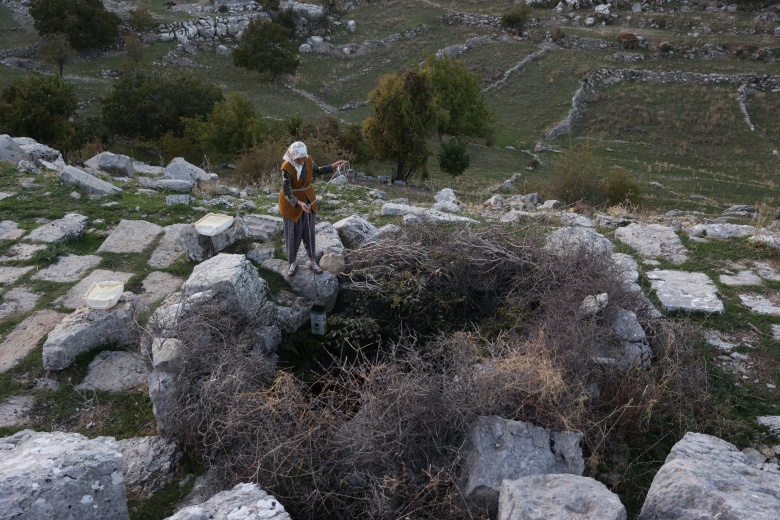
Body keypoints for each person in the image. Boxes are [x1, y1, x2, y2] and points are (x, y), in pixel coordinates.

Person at [278, 141, 347, 276]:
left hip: (308, 199)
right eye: (299, 158)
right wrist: (299, 203)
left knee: (309, 232)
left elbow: (317, 171)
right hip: (292, 204)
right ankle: (293, 262)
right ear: (292, 157)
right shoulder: (286, 167)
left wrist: (334, 166)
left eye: (304, 157)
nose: (302, 160)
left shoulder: (308, 160)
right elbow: (286, 192)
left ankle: (312, 260)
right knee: (293, 234)